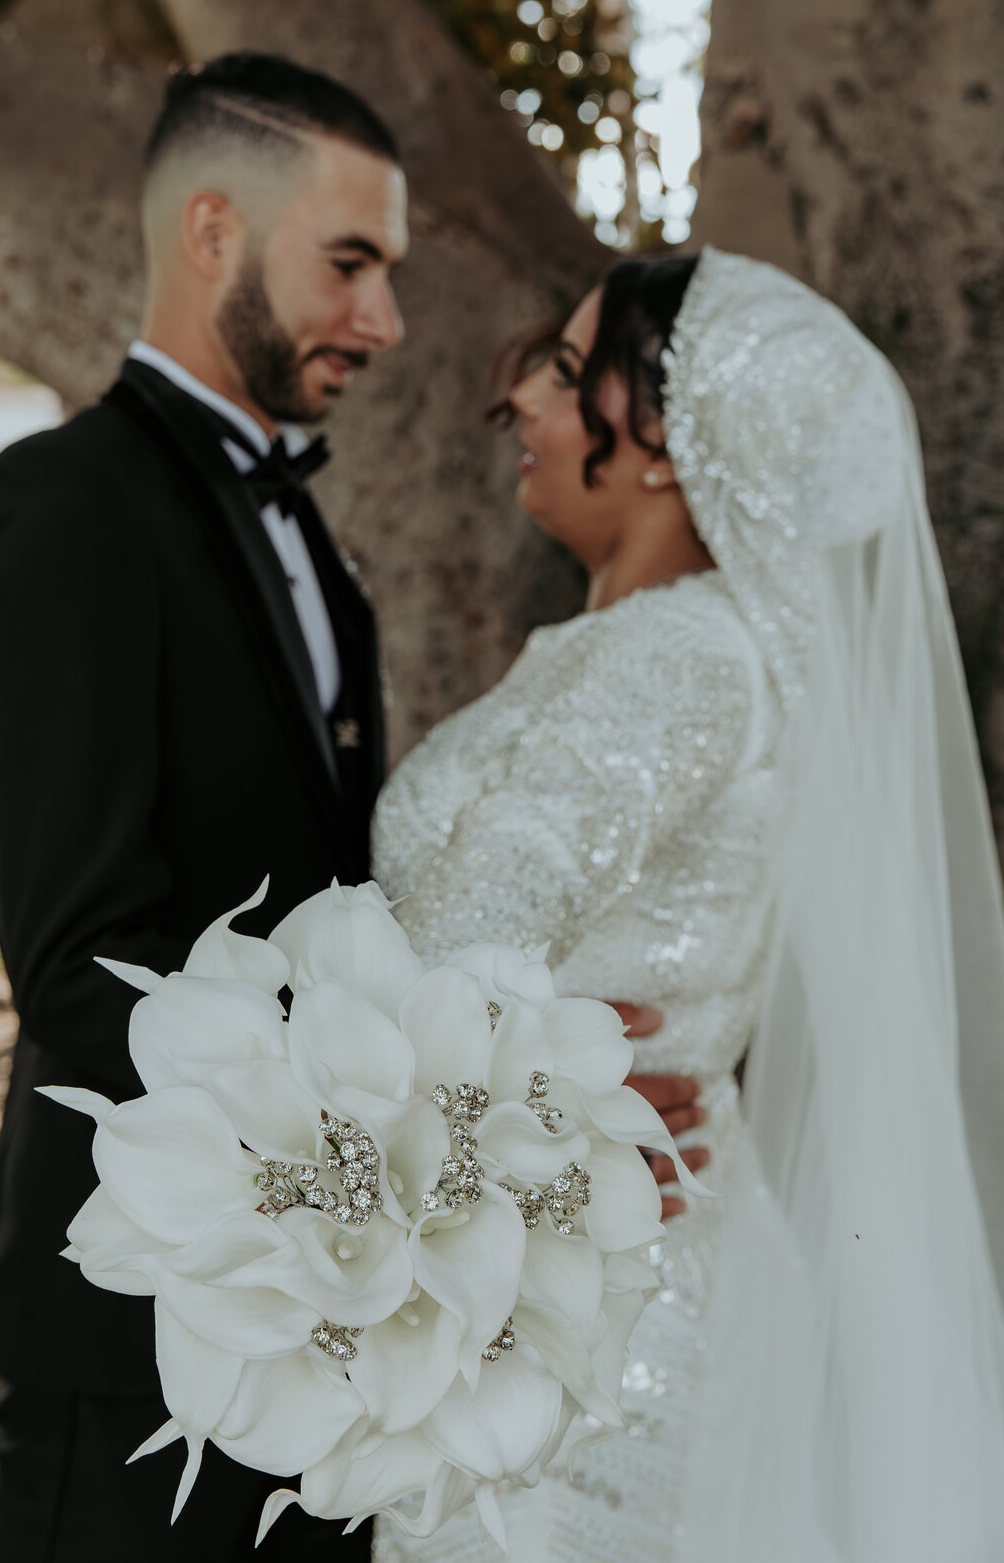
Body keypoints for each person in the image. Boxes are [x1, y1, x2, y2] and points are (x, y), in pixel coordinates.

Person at [0, 53, 702, 1563]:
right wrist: (462, 1125)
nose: (389, 323)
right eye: (350, 265)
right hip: (146, 1322)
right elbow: (88, 970)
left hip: (329, 1332)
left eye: (392, 273)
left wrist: (522, 1105)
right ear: (213, 231)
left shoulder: (308, 538)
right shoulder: (67, 507)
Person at [370, 248, 1004, 1561]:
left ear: (664, 438)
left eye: (563, 370)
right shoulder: (682, 647)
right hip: (595, 1251)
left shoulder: (673, 657)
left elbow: (456, 949)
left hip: (580, 1316)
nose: (523, 409)